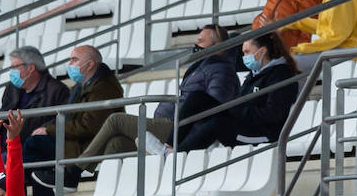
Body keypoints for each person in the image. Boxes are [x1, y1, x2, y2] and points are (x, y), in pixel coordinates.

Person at [80, 27, 238, 163]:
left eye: (201, 41)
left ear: (218, 47)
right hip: (173, 124)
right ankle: (117, 193)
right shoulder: (200, 68)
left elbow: (214, 106)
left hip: (176, 126)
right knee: (116, 144)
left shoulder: (221, 70)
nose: (196, 45)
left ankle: (75, 170)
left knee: (117, 120)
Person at [22, 45, 122, 196]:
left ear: (89, 65)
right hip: (75, 140)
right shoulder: (81, 86)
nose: (70, 64)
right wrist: (47, 128)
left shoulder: (104, 88)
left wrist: (51, 130)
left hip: (88, 144)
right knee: (33, 146)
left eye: (74, 60)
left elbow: (88, 127)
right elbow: (67, 116)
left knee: (34, 145)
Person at [174, 32, 300, 152]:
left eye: (247, 52)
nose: (244, 57)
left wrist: (239, 110)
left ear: (261, 52)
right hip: (243, 124)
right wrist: (235, 109)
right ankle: (170, 145)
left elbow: (274, 113)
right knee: (197, 98)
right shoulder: (253, 75)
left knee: (217, 123)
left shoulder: (281, 75)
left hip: (263, 134)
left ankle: (177, 155)